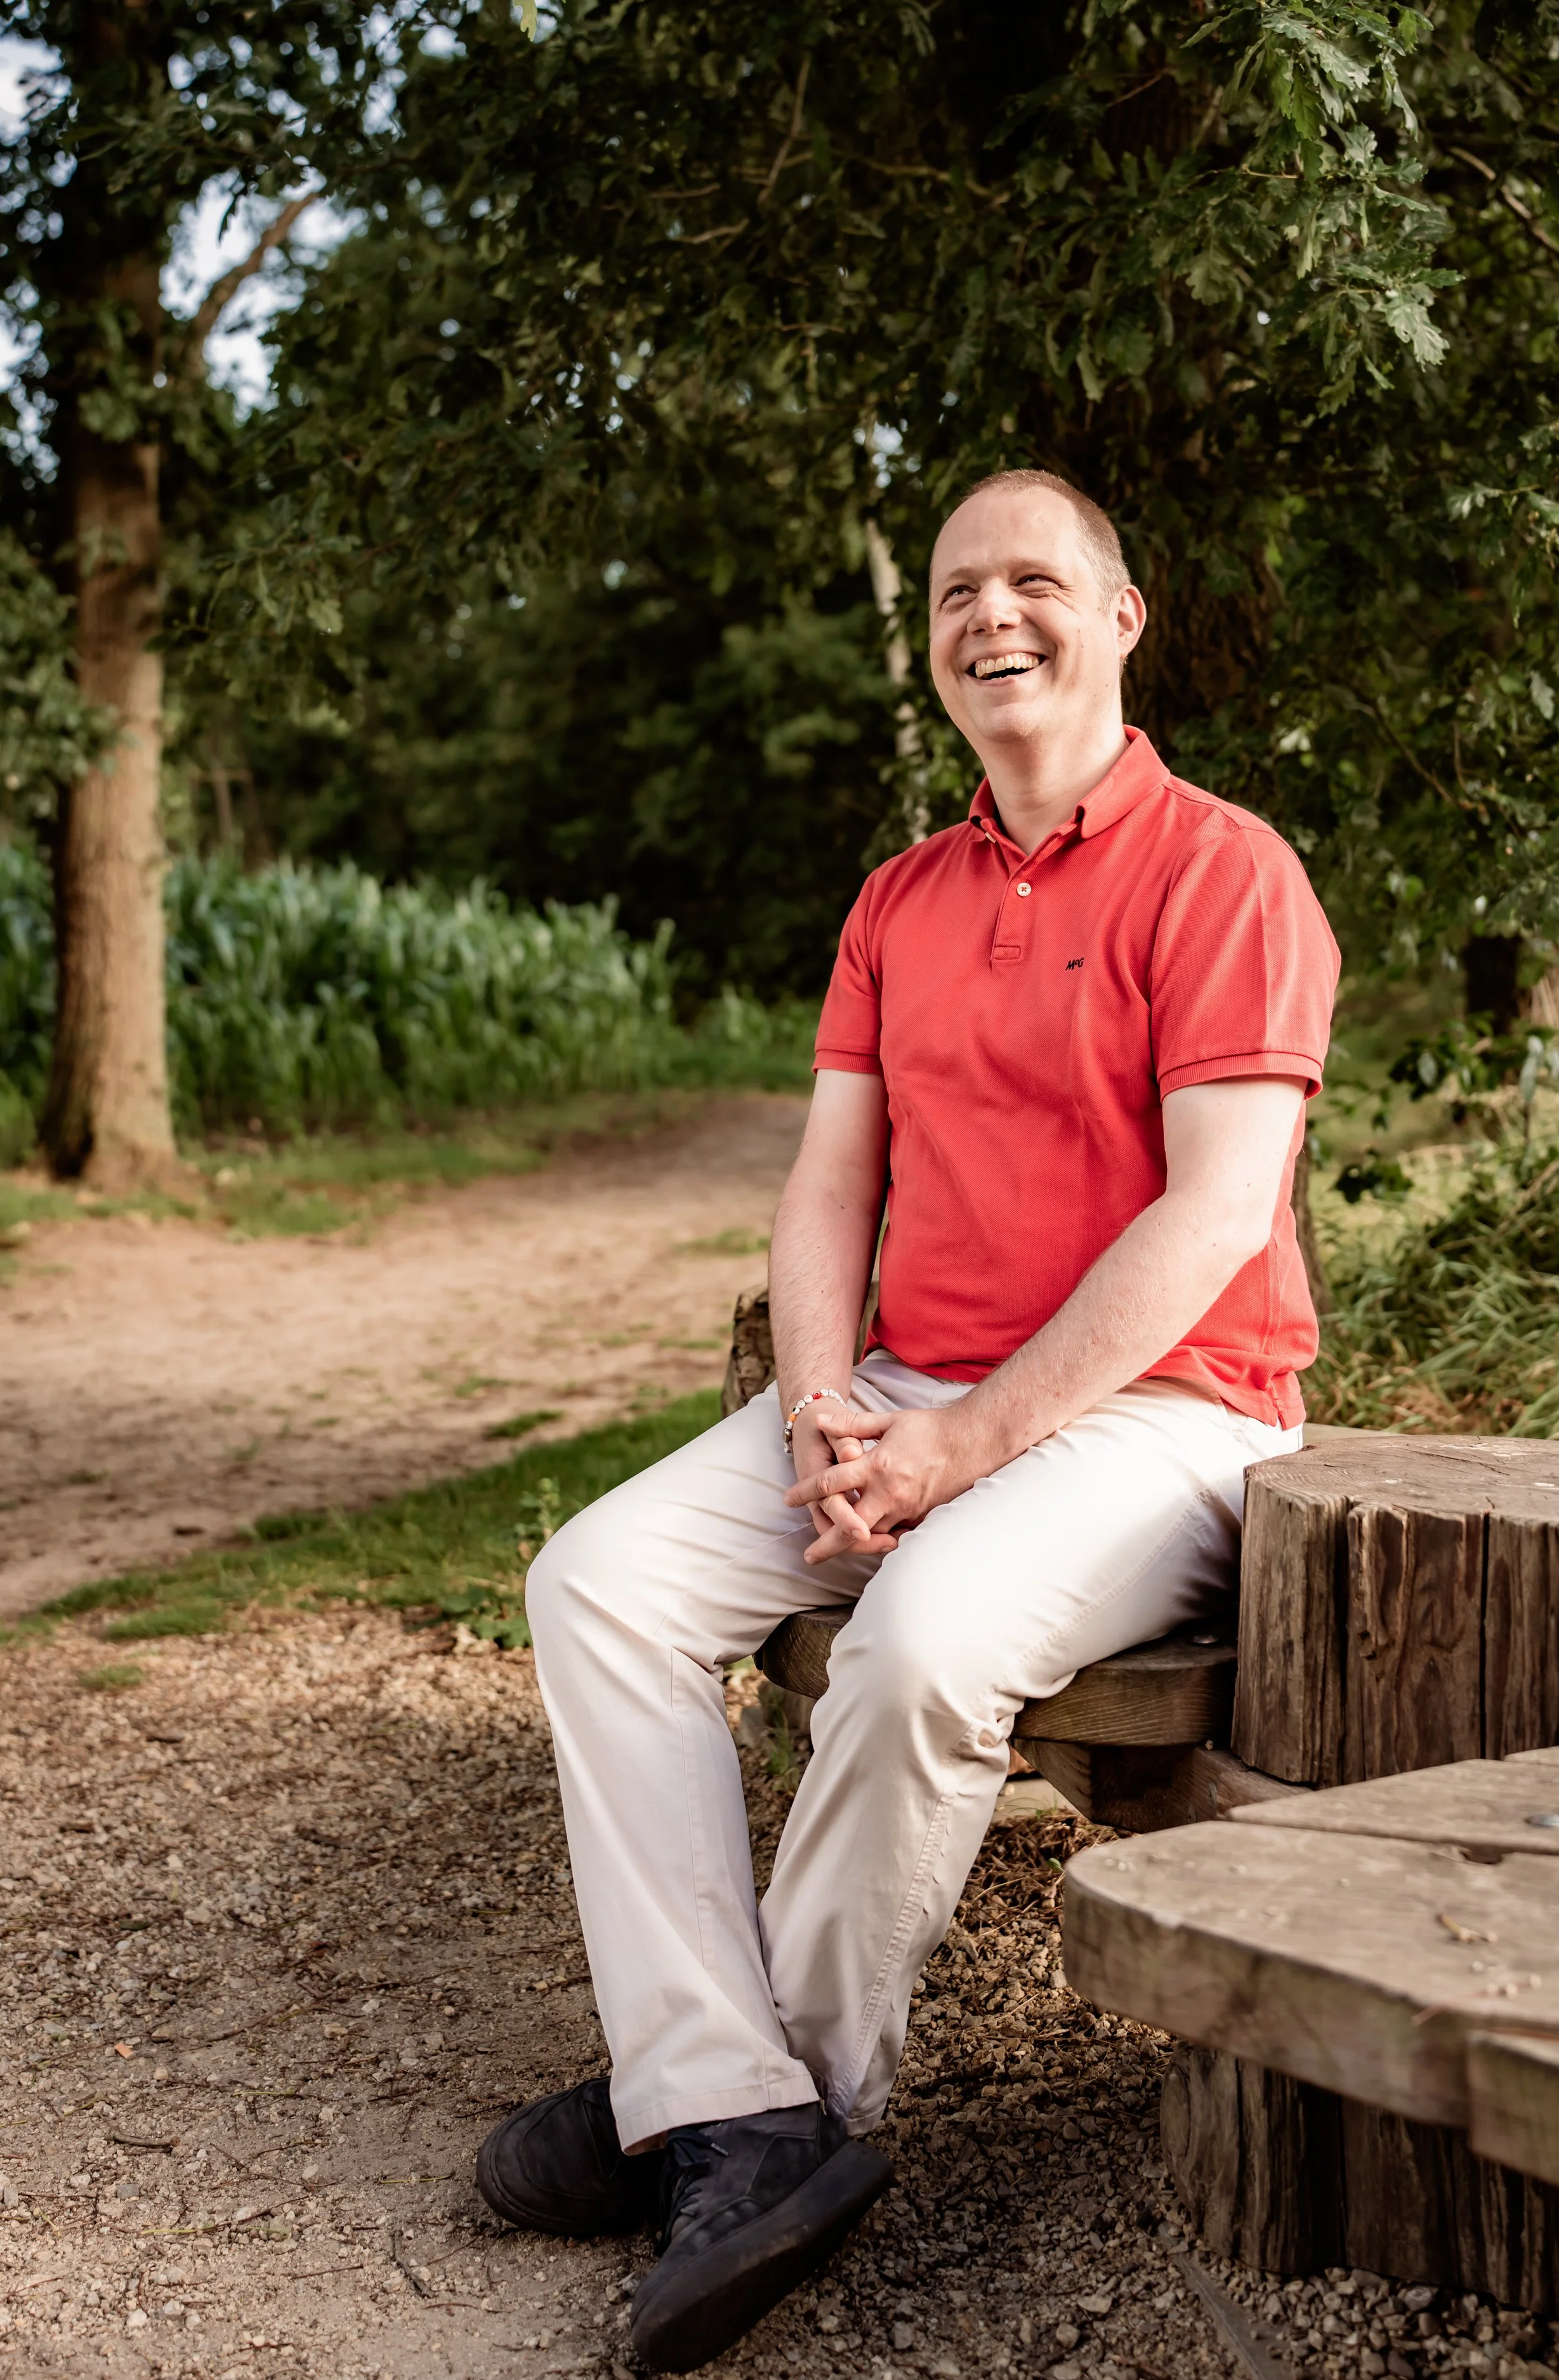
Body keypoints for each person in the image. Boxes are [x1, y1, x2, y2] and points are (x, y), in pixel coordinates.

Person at [476, 468, 1341, 2374]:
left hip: (1170, 1413)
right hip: (901, 1386)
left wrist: (960, 1453)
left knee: (921, 1642)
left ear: (1121, 617)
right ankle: (728, 2107)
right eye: (957, 589)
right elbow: (826, 1187)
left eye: (1035, 579)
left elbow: (1208, 1219)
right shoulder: (902, 896)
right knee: (597, 1581)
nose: (990, 613)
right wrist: (816, 1405)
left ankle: (763, 2104)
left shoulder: (1224, 872)